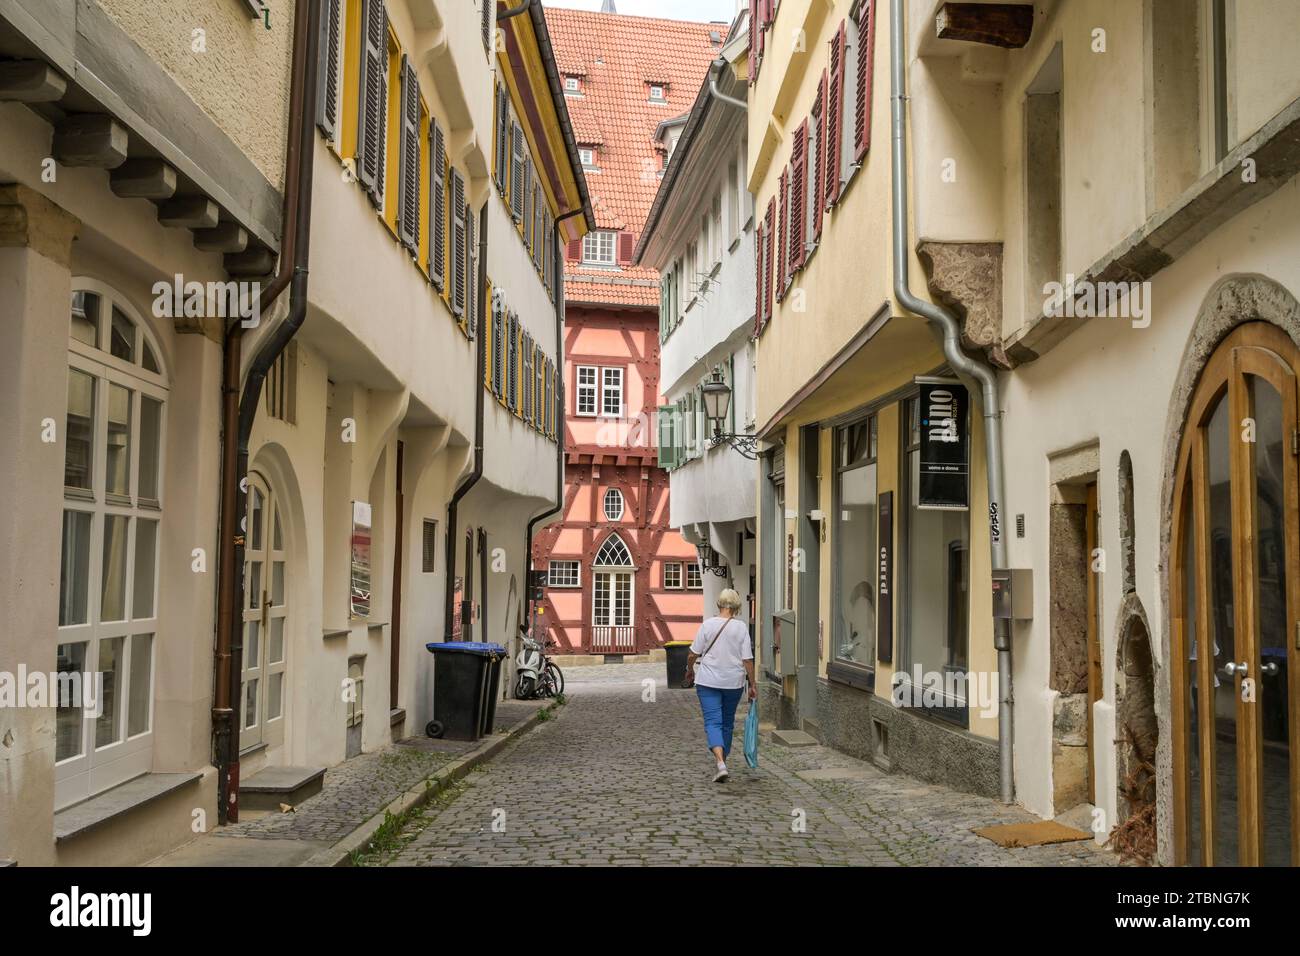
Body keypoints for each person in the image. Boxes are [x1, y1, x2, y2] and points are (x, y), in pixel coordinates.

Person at [687, 589, 755, 782]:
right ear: (736, 607)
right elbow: (747, 660)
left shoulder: (707, 625)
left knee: (712, 722)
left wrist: (689, 669)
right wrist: (752, 684)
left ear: (719, 605)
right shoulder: (741, 628)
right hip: (733, 682)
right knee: (727, 722)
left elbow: (693, 653)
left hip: (707, 681)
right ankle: (722, 763)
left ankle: (720, 763)